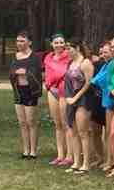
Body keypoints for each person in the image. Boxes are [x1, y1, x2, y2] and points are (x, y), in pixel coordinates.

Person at [91, 37, 114, 175]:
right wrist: (112, 89)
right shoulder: (111, 64)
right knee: (113, 133)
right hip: (111, 101)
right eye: (113, 47)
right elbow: (106, 81)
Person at [63, 40, 95, 174]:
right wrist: (69, 97)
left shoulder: (85, 63)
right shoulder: (70, 63)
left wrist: (76, 98)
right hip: (71, 100)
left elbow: (88, 83)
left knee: (83, 132)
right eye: (66, 48)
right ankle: (76, 162)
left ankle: (86, 164)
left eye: (69, 48)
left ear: (77, 48)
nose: (67, 51)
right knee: (74, 132)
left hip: (84, 100)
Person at [9, 31, 42, 159]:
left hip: (30, 91)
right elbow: (11, 72)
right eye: (18, 41)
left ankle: (33, 151)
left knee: (31, 122)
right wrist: (16, 72)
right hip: (18, 91)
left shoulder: (34, 57)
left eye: (22, 41)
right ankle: (25, 150)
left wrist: (25, 72)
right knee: (22, 122)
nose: (19, 43)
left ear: (29, 42)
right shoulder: (15, 56)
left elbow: (37, 74)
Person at [44, 33, 72, 166]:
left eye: (61, 42)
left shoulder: (69, 56)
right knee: (57, 124)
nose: (59, 45)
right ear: (52, 44)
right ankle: (60, 155)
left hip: (64, 91)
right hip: (52, 90)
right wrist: (48, 85)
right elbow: (47, 73)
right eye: (56, 43)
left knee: (66, 124)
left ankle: (70, 155)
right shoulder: (48, 57)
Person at [88, 41, 110, 167]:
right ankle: (100, 157)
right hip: (96, 101)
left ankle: (109, 159)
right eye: (100, 53)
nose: (102, 55)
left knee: (109, 132)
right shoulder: (97, 66)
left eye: (105, 52)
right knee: (95, 131)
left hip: (108, 102)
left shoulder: (113, 65)